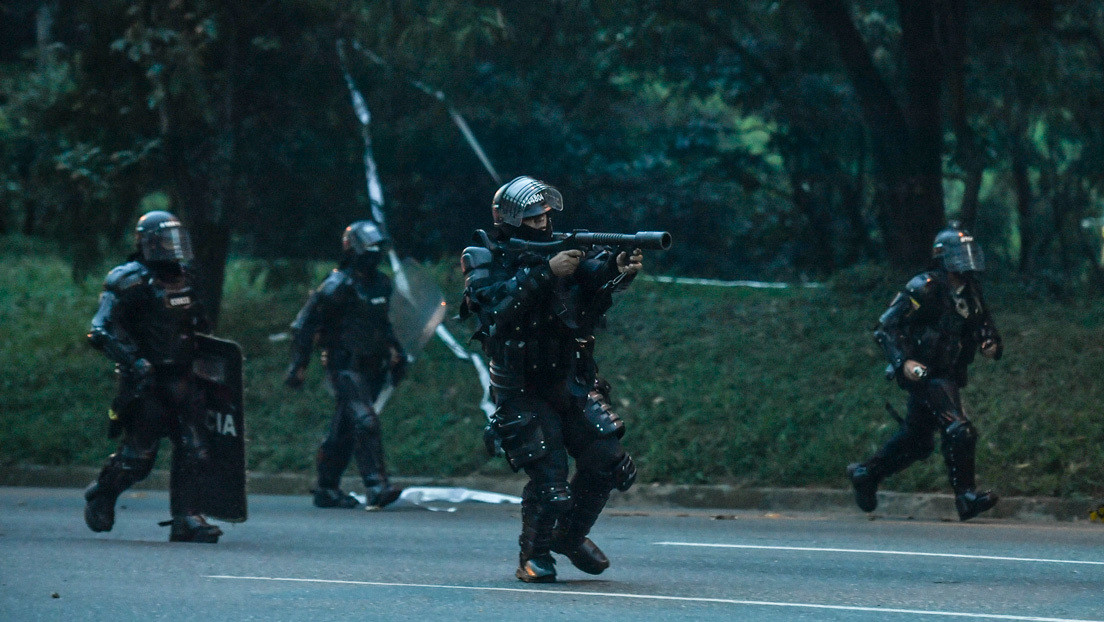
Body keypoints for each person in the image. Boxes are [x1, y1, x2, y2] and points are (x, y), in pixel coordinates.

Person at [460, 176, 643, 582]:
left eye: (545, 216)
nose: (542, 224)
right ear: (508, 218)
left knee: (608, 463)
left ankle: (569, 535)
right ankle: (534, 555)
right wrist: (545, 271)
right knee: (551, 478)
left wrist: (618, 268)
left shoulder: (560, 246)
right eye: (532, 217)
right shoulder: (482, 254)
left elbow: (592, 283)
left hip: (570, 377)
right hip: (521, 384)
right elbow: (493, 311)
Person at [848, 223, 1003, 521]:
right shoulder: (924, 286)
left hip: (948, 371)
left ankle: (866, 474)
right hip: (926, 372)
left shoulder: (971, 292)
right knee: (959, 429)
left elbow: (984, 324)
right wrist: (903, 361)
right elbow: (886, 327)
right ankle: (966, 498)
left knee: (918, 440)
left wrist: (989, 342)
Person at [83, 210, 223, 543]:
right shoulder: (128, 280)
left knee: (196, 450)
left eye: (176, 239)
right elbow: (100, 331)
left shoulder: (187, 277)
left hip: (185, 378)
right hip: (147, 383)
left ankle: (186, 518)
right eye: (164, 240)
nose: (171, 247)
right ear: (147, 243)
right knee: (138, 460)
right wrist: (133, 361)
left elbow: (200, 322)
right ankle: (103, 493)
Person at [284, 220, 406, 510]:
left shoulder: (381, 284)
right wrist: (299, 365)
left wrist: (396, 353)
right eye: (370, 247)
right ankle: (377, 486)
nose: (374, 253)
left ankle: (326, 488)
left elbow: (383, 325)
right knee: (364, 420)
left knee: (344, 429)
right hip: (344, 365)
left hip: (373, 366)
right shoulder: (337, 285)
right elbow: (305, 326)